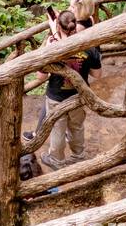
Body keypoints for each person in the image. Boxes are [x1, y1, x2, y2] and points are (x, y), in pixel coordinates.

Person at [38, 11, 102, 169]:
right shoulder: (87, 45)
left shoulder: (53, 47)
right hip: (79, 96)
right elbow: (97, 74)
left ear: (58, 26)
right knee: (76, 126)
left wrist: (51, 39)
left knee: (57, 128)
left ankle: (57, 160)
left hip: (56, 96)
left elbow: (40, 76)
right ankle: (78, 155)